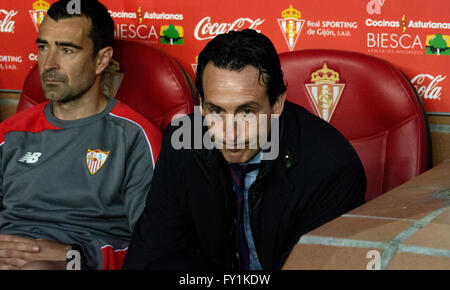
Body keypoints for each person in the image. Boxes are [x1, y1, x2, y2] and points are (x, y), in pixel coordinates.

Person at [122, 29, 366, 270]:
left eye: (247, 112)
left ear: (277, 103)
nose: (230, 133)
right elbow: (151, 251)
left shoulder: (331, 166)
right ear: (202, 106)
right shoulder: (183, 143)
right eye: (217, 111)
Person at [0, 0, 161, 270]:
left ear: (101, 60)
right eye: (43, 47)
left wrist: (77, 256)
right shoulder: (10, 132)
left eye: (66, 50)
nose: (49, 64)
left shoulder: (134, 138)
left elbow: (157, 247)